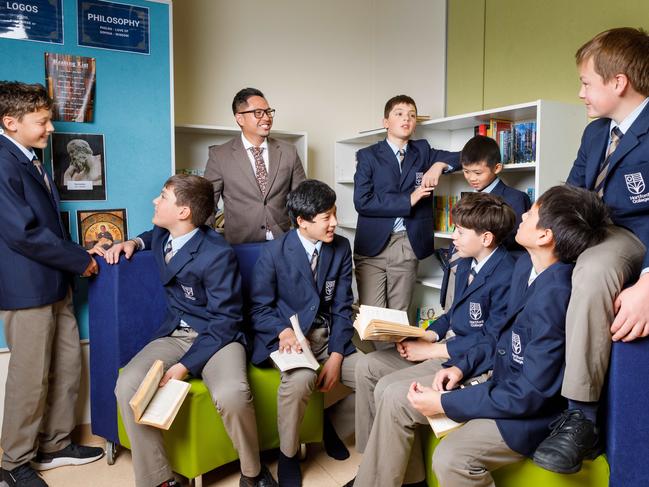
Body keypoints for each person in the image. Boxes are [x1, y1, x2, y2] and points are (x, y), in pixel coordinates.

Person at [404, 185, 609, 487]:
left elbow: (530, 393)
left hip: (530, 414)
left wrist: (447, 402)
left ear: (544, 236)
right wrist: (463, 366)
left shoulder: (556, 295)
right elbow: (499, 337)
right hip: (502, 384)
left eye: (532, 213)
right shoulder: (526, 265)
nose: (523, 213)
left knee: (452, 457)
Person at [103, 175, 276, 487]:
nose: (155, 201)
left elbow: (226, 320)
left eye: (163, 196)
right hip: (176, 333)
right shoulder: (162, 232)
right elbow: (149, 236)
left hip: (218, 337)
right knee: (127, 383)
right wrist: (133, 242)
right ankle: (160, 480)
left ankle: (253, 472)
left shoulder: (217, 253)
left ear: (183, 212)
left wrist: (185, 367)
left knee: (232, 394)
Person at [532, 27, 649, 474]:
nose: (580, 92)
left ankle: (581, 416)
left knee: (595, 269)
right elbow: (573, 191)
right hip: (594, 228)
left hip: (631, 236)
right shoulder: (596, 133)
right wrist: (537, 226)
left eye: (586, 82)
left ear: (618, 82)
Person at [348, 192, 516, 487]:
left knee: (390, 390)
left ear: (486, 238)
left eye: (460, 231)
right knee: (367, 367)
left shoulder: (508, 274)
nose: (454, 237)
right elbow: (452, 314)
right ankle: (380, 467)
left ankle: (378, 478)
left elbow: (492, 341)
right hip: (444, 346)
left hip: (465, 361)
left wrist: (431, 349)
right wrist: (425, 333)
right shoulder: (465, 260)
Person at [0, 81, 103, 487]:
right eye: (42, 122)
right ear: (10, 122)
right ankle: (13, 462)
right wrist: (81, 260)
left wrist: (82, 249)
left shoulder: (30, 158)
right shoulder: (3, 161)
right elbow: (21, 233)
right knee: (30, 377)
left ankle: (56, 444)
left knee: (67, 366)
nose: (51, 129)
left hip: (55, 283)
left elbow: (44, 226)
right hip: (26, 290)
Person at [249, 180, 358, 487]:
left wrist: (337, 354)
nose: (335, 223)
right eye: (326, 217)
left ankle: (330, 424)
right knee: (300, 382)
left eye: (334, 214)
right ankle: (287, 454)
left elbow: (343, 305)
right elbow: (258, 308)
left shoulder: (340, 247)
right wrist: (282, 330)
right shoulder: (273, 252)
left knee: (372, 374)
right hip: (289, 340)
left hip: (328, 337)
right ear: (302, 221)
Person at [353, 94, 460, 317]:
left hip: (407, 243)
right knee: (372, 315)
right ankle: (385, 353)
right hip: (372, 246)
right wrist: (408, 200)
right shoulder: (368, 156)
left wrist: (438, 165)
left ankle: (395, 353)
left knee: (398, 314)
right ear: (386, 122)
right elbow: (362, 201)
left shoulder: (423, 151)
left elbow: (464, 156)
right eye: (399, 114)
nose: (406, 119)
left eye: (412, 115)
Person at [204, 87, 306, 244]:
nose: (266, 118)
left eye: (268, 112)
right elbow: (207, 204)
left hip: (282, 243)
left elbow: (302, 199)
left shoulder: (289, 151)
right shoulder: (219, 155)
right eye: (258, 113)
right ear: (240, 118)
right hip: (240, 245)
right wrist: (208, 243)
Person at [439, 134, 531, 309]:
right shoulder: (467, 199)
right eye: (466, 172)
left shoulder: (515, 198)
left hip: (488, 276)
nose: (471, 178)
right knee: (450, 317)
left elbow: (514, 241)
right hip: (458, 268)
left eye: (478, 173)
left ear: (496, 168)